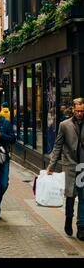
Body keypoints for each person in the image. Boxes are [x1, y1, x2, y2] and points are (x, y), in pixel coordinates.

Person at [46, 98, 84, 241]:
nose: (80, 113)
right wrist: (51, 166)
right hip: (70, 166)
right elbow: (57, 146)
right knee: (70, 196)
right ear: (73, 109)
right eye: (78, 111)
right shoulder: (64, 125)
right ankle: (69, 218)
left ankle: (81, 226)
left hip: (83, 167)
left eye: (82, 111)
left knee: (83, 197)